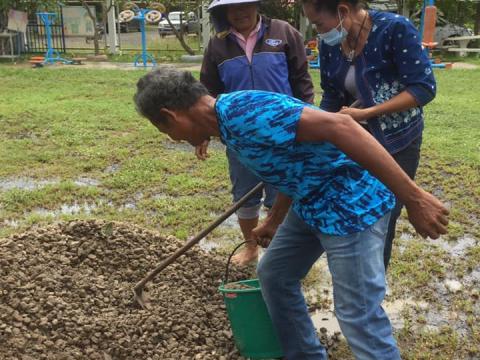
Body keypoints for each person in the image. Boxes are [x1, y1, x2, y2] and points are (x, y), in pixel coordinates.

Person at [133, 68, 449, 359]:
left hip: (350, 206)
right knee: (274, 276)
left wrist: (414, 197)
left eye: (163, 130)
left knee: (358, 314)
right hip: (310, 203)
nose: (171, 138)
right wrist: (273, 219)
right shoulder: (226, 126)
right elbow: (291, 161)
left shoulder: (247, 114)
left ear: (169, 116)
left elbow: (342, 126)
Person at [302, 0, 436, 270]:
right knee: (352, 206)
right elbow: (331, 93)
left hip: (397, 140)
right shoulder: (331, 45)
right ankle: (356, 276)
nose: (318, 32)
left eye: (318, 23)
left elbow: (423, 88)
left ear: (342, 11)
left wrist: (367, 113)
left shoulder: (394, 29)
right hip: (352, 139)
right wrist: (318, 126)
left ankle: (373, 288)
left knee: (383, 215)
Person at [197, 0, 314, 265]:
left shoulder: (283, 32)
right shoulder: (218, 43)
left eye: (245, 5)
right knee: (244, 193)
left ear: (256, 6)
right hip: (238, 135)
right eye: (233, 7)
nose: (240, 12)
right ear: (223, 12)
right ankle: (250, 248)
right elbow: (208, 90)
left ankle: (279, 251)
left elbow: (301, 80)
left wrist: (309, 121)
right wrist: (204, 131)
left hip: (282, 132)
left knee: (282, 192)